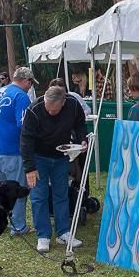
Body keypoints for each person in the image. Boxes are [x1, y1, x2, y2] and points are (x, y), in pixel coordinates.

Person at [20, 85, 87, 253]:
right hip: (39, 156)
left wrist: (82, 139)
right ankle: (43, 235)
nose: (50, 112)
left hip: (61, 156)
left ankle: (63, 232)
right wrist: (30, 168)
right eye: (48, 109)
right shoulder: (34, 109)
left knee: (61, 194)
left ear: (63, 103)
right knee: (38, 196)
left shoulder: (72, 104)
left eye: (54, 110)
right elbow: (26, 139)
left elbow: (79, 122)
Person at [0, 67, 36, 236]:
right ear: (26, 80)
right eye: (31, 83)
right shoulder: (21, 97)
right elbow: (24, 125)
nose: (30, 86)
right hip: (13, 151)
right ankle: (18, 226)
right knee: (16, 189)